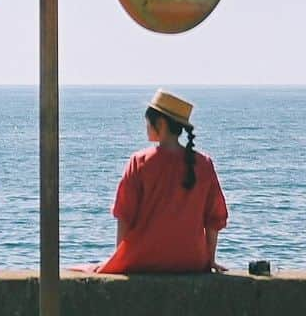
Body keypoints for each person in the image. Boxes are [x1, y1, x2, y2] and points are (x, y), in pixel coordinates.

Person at [94, 89, 228, 274]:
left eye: (148, 123)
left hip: (144, 257)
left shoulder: (139, 161)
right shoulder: (204, 164)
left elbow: (124, 214)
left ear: (161, 124)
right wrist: (209, 259)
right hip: (192, 260)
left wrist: (119, 259)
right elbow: (215, 218)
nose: (146, 127)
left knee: (82, 270)